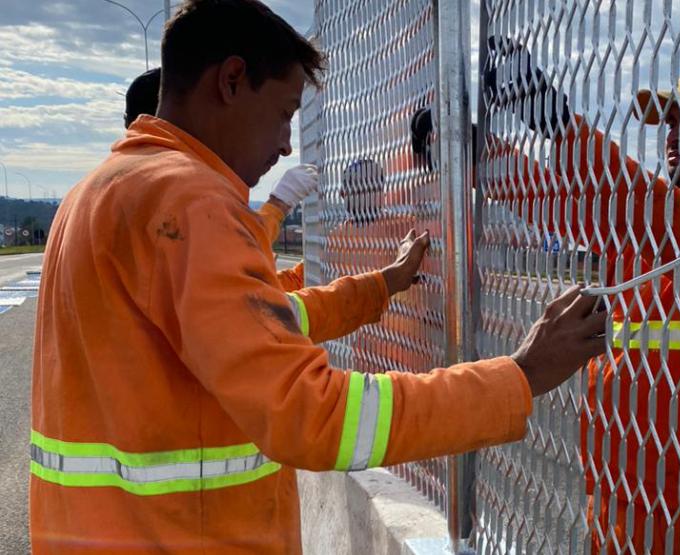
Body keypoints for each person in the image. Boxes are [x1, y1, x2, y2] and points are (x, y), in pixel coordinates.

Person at [29, 2, 607, 553]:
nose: (285, 144)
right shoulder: (189, 199)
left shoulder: (98, 191)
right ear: (231, 81)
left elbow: (264, 323)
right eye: (283, 113)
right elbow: (311, 413)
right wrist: (520, 376)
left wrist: (379, 287)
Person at [414, 45, 680, 553]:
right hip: (615, 489)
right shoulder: (646, 227)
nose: (674, 137)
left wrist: (558, 124)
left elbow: (642, 213)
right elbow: (567, 201)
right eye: (669, 122)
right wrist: (473, 154)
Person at [124, 66, 311, 291]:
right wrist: (278, 205)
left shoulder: (118, 187)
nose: (285, 148)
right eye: (283, 114)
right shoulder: (182, 196)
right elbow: (244, 301)